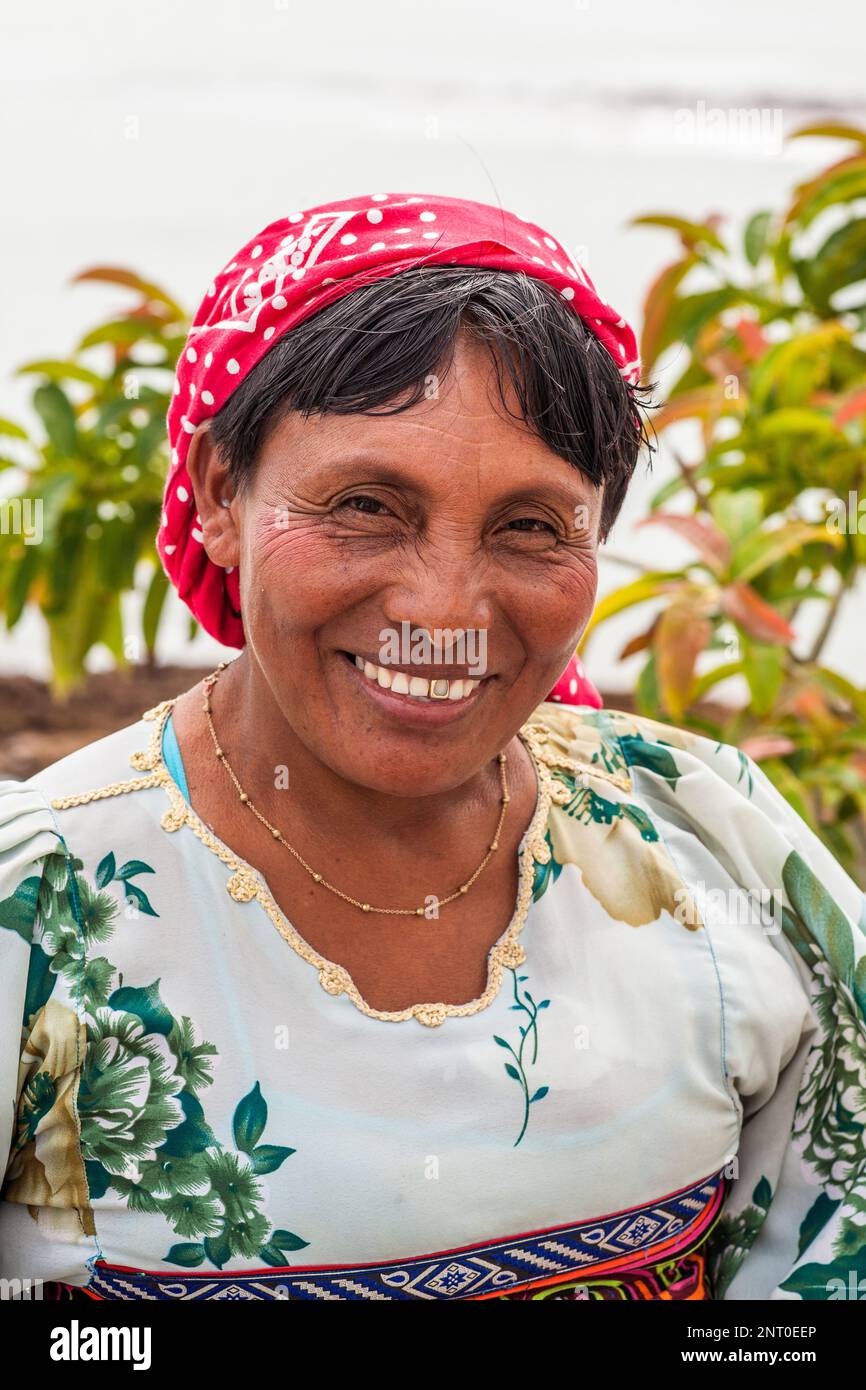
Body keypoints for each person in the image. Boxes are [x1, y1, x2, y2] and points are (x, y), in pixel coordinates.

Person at [0, 192, 863, 1302]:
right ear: (220, 491)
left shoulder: (706, 839)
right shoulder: (42, 906)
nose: (443, 609)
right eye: (365, 504)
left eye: (529, 526)